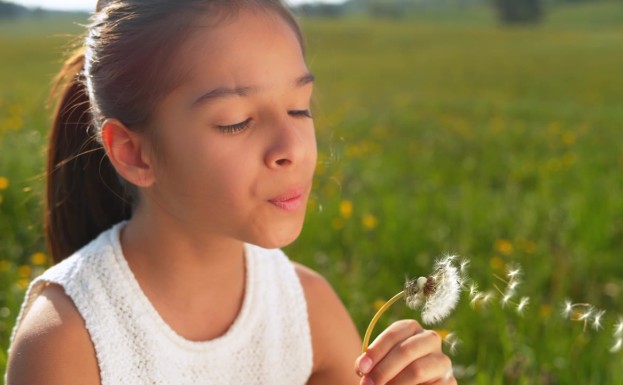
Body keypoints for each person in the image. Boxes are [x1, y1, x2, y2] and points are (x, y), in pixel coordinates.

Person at [5, 1, 457, 384]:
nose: (292, 149)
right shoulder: (66, 340)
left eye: (299, 108)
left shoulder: (306, 310)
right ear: (134, 153)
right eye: (236, 121)